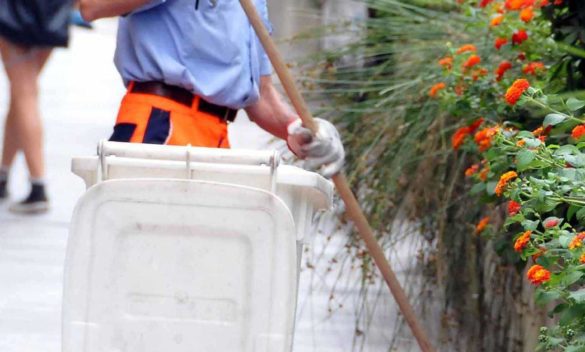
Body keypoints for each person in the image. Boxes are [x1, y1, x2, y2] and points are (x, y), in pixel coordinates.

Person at [79, 0, 345, 178]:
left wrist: (297, 129)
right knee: (143, 254)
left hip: (214, 142)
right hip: (159, 125)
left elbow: (259, 95)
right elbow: (91, 5)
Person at [0, 0, 75, 213]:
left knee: (24, 92)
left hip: (16, 13)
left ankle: (38, 185)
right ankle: (3, 175)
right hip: (54, 10)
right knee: (23, 92)